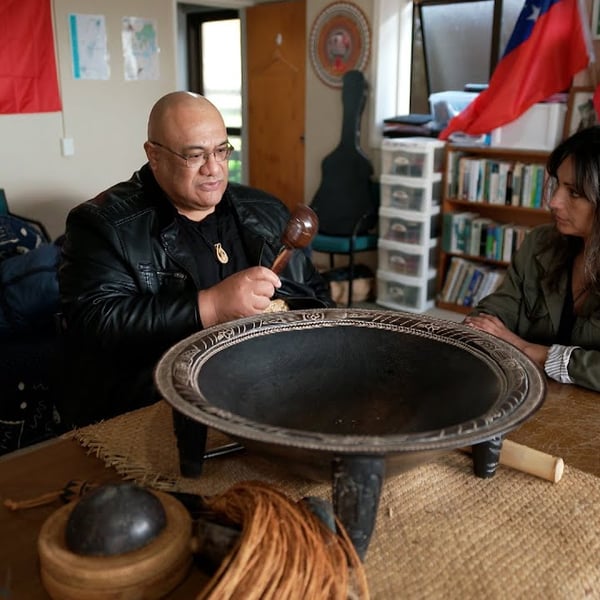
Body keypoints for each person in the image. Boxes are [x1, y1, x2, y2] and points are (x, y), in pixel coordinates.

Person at [58, 91, 334, 428]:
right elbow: (94, 323)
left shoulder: (264, 211)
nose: (214, 168)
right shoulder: (105, 224)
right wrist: (212, 305)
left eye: (221, 150)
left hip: (266, 386)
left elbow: (315, 295)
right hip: (156, 401)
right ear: (154, 155)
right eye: (195, 155)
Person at [464, 125, 600, 392]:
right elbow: (501, 306)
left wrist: (530, 350)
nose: (554, 202)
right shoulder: (541, 243)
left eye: (573, 193)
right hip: (529, 394)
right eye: (558, 185)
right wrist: (480, 326)